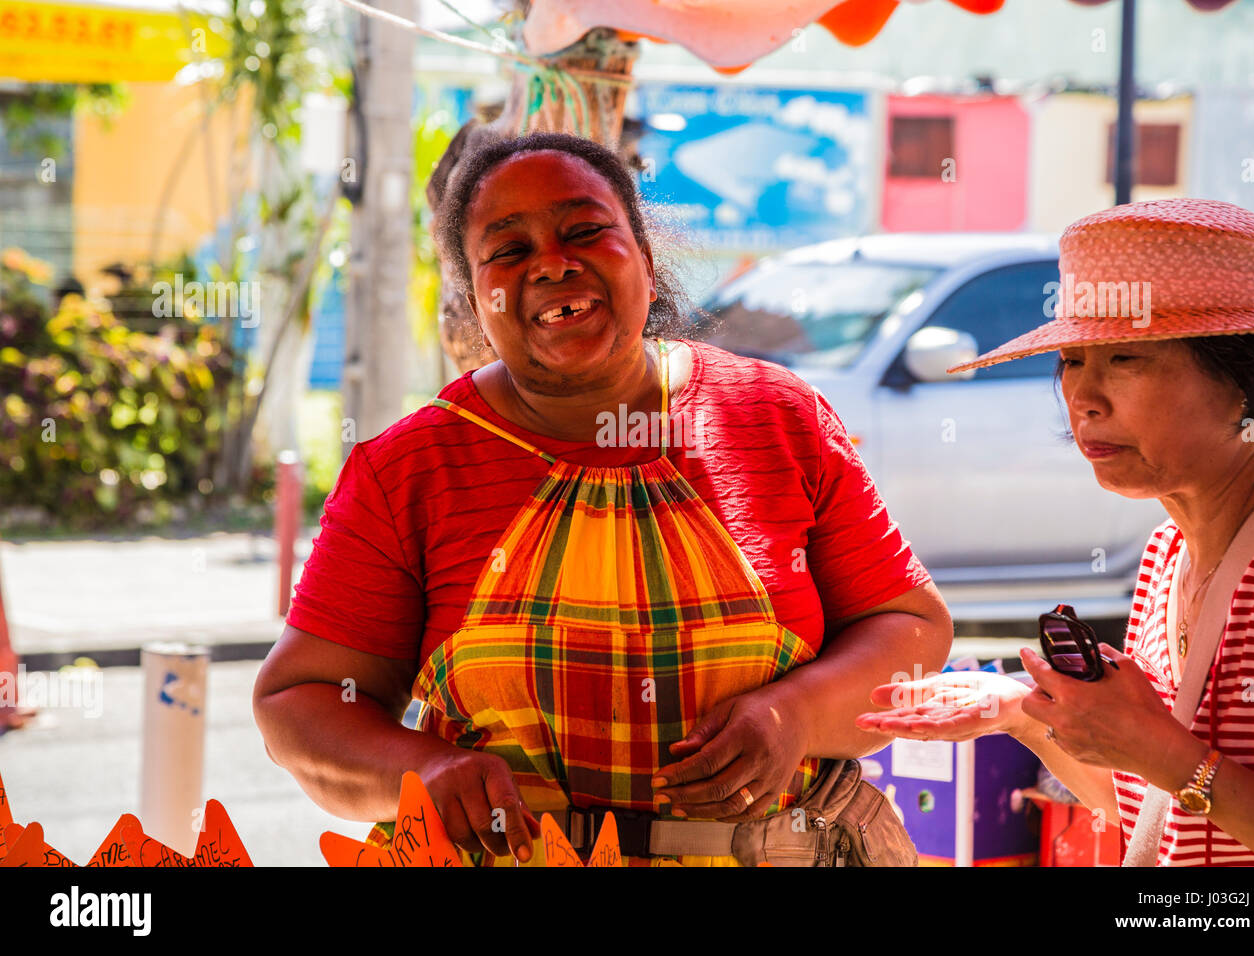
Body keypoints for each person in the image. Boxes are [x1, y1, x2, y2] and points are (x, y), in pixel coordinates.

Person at [252, 131, 951, 866]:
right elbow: (299, 704)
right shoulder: (410, 470)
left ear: (645, 264)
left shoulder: (778, 419)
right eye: (509, 250)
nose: (552, 263)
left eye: (584, 230)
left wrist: (798, 717)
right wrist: (422, 772)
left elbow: (909, 630)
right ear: (474, 301)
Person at [857, 198, 1254, 866]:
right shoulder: (1166, 554)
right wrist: (1018, 711)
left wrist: (1166, 752)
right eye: (1070, 359)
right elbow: (1156, 808)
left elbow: (1178, 771)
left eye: (1125, 359)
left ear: (1244, 382)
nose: (1083, 397)